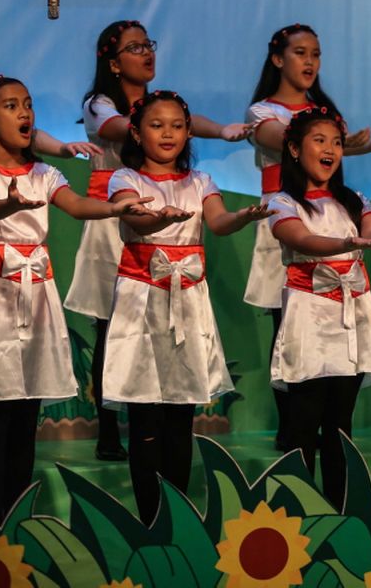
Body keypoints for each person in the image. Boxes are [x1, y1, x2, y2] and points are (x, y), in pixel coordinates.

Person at [64, 20, 249, 460]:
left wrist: (219, 129)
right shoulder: (100, 103)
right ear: (112, 60)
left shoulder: (178, 147)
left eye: (148, 44)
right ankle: (110, 427)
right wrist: (162, 116)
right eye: (134, 47)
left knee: (163, 322)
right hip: (116, 215)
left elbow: (173, 119)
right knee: (114, 323)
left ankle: (166, 415)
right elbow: (115, 129)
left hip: (165, 215)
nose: (146, 53)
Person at [102, 91, 268, 523]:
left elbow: (217, 221)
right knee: (145, 415)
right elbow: (134, 220)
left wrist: (245, 216)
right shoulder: (125, 180)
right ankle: (149, 517)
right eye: (157, 125)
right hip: (143, 302)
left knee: (180, 414)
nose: (168, 133)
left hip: (189, 303)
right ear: (137, 132)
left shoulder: (201, 182)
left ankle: (178, 514)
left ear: (189, 131)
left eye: (177, 125)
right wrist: (160, 219)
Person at [0, 76, 151, 522]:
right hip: (1, 292)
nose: (24, 113)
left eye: (27, 104)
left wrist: (116, 208)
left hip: (35, 296)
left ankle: (17, 513)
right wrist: (5, 208)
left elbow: (79, 205)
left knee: (25, 408)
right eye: (10, 105)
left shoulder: (43, 174)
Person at [244, 23, 371, 451]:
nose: (310, 61)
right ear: (278, 59)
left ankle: (326, 429)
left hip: (328, 217)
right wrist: (343, 142)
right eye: (300, 53)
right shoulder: (263, 111)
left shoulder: (326, 115)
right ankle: (292, 423)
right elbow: (281, 138)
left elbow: (327, 150)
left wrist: (357, 147)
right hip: (286, 214)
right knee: (288, 320)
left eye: (316, 53)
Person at [267, 106, 371, 509]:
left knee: (340, 424)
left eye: (336, 142)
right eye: (320, 140)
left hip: (350, 316)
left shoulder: (354, 200)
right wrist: (344, 246)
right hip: (309, 317)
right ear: (295, 150)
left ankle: (338, 511)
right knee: (303, 422)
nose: (330, 148)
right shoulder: (284, 202)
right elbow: (301, 239)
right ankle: (294, 513)